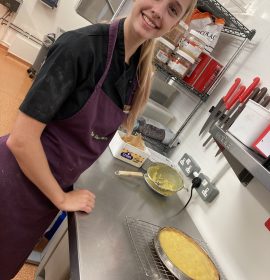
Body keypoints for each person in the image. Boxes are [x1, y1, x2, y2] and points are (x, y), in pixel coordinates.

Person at [0, 0, 197, 278]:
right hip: (12, 186)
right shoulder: (80, 47)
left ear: (176, 25)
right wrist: (61, 199)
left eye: (173, 10)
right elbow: (21, 140)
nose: (158, 11)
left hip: (39, 200)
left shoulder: (135, 71)